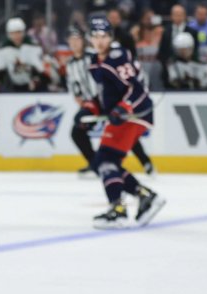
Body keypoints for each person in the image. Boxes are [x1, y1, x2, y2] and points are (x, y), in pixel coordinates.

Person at [85, 16, 165, 229]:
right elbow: (106, 95)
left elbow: (136, 89)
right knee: (104, 162)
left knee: (105, 161)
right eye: (95, 36)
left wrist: (124, 107)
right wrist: (90, 108)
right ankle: (145, 196)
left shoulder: (117, 57)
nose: (100, 41)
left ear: (111, 37)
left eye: (104, 36)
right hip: (125, 115)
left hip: (135, 114)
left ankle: (118, 210)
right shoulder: (95, 61)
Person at [0, 17, 47, 92]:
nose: (16, 36)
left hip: (33, 87)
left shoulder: (33, 46)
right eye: (13, 33)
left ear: (23, 32)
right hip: (12, 87)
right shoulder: (3, 49)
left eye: (19, 32)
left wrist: (36, 80)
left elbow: (40, 70)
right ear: (9, 34)